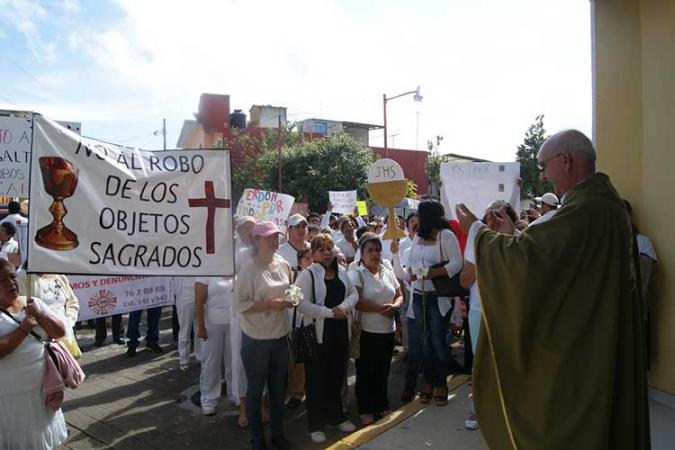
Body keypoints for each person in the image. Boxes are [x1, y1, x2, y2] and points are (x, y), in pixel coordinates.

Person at [455, 129, 649, 450]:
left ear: (567, 160)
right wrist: (509, 237)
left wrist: (475, 231)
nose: (543, 177)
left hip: (585, 351)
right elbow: (558, 266)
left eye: (544, 167)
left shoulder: (584, 212)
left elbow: (526, 264)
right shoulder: (609, 208)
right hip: (601, 335)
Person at [459, 201, 518, 431]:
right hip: (479, 310)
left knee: (509, 362)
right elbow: (464, 280)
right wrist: (480, 254)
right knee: (482, 363)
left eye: (498, 215)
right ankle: (480, 408)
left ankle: (512, 410)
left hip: (508, 312)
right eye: (488, 216)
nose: (492, 220)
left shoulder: (518, 240)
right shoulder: (478, 241)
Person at [234, 221, 293, 450]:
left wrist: (291, 299)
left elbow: (290, 290)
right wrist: (271, 304)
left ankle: (278, 434)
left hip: (279, 336)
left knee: (278, 391)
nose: (274, 240)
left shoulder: (284, 264)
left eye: (276, 236)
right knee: (256, 391)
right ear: (256, 240)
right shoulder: (248, 268)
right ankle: (257, 439)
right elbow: (239, 304)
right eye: (268, 237)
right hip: (256, 340)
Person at [296, 233, 357, 444]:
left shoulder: (342, 272)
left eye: (329, 248)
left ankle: (336, 417)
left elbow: (353, 294)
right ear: (313, 254)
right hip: (318, 336)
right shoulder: (307, 275)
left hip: (340, 333)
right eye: (321, 249)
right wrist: (330, 312)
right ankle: (315, 424)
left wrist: (343, 308)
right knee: (316, 381)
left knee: (336, 377)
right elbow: (301, 304)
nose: (327, 252)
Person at [0, 259, 68, 449]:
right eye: (3, 280)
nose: (11, 283)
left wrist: (41, 314)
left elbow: (59, 332)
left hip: (42, 390)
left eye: (12, 277)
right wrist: (24, 327)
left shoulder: (31, 302)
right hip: (11, 396)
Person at [404, 200, 462, 406]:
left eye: (420, 215)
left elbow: (457, 262)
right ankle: (428, 382)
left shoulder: (445, 236)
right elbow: (410, 261)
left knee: (438, 340)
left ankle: (441, 383)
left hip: (438, 297)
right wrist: (411, 272)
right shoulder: (418, 236)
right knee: (424, 341)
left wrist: (435, 273)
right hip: (419, 295)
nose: (417, 219)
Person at [350, 235, 403, 425]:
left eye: (377, 250)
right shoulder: (357, 273)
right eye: (369, 251)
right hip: (367, 332)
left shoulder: (387, 270)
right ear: (362, 255)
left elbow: (399, 295)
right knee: (365, 372)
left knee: (383, 370)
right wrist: (382, 309)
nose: (374, 254)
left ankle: (382, 404)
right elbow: (356, 301)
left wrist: (395, 307)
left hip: (387, 331)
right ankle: (365, 408)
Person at [195, 276, 234, 415]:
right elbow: (199, 301)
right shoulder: (206, 271)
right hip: (212, 324)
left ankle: (235, 394)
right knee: (211, 363)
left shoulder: (235, 266)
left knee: (233, 362)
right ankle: (208, 399)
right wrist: (201, 326)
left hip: (234, 323)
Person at [23, 274, 80, 358]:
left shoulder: (60, 277)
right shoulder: (23, 277)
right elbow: (23, 307)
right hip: (43, 343)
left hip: (66, 337)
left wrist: (68, 323)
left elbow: (73, 302)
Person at [173, 276, 199, 371]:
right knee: (184, 329)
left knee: (200, 328)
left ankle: (200, 356)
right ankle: (183, 360)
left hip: (201, 289)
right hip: (184, 294)